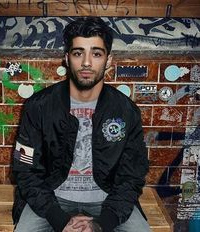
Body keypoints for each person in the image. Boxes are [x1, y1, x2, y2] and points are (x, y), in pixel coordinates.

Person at [12, 17, 150, 232]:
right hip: (50, 199)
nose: (86, 62)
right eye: (78, 53)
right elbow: (25, 170)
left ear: (109, 60)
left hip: (108, 199)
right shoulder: (38, 107)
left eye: (96, 54)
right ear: (67, 58)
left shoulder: (125, 111)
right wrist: (59, 219)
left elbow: (132, 174)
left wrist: (103, 224)